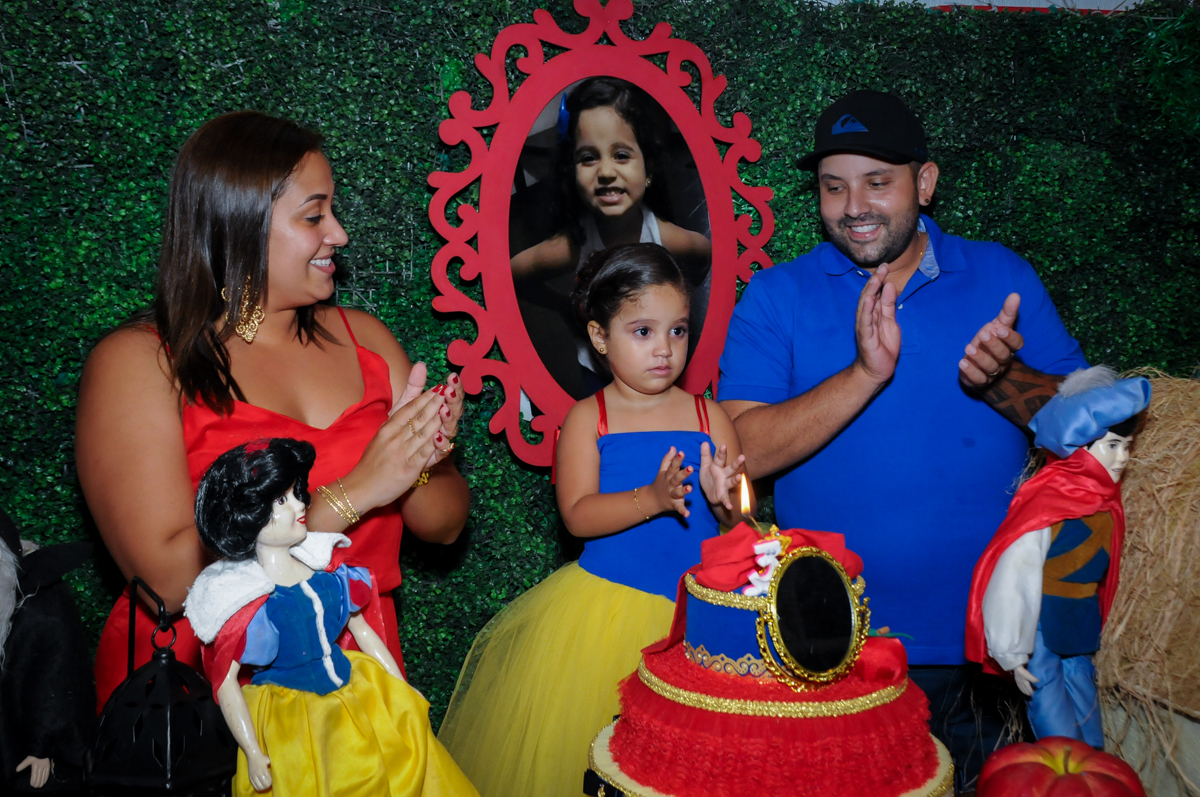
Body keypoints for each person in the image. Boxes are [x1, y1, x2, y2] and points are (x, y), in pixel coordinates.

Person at [717, 90, 1089, 786]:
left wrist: (1008, 384)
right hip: (829, 647)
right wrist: (864, 374)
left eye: (877, 182)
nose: (853, 204)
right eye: (834, 186)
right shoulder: (776, 296)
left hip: (993, 650)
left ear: (924, 181)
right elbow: (740, 452)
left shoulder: (1001, 274)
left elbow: (1095, 436)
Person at [75, 111, 468, 711]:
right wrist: (354, 492)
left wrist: (420, 458)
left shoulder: (366, 340)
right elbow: (163, 580)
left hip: (361, 679)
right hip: (210, 693)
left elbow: (443, 526)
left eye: (332, 211)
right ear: (240, 224)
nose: (338, 233)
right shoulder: (141, 362)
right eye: (314, 216)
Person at [438, 243, 744, 797]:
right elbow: (577, 516)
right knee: (602, 763)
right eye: (643, 332)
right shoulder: (589, 418)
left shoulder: (709, 415)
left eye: (678, 331)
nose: (665, 350)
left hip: (697, 625)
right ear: (601, 337)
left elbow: (737, 531)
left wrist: (727, 507)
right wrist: (651, 498)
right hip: (605, 619)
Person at [184, 438, 478, 796]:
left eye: (296, 493)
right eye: (282, 499)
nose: (300, 504)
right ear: (249, 516)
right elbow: (226, 682)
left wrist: (399, 684)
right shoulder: (250, 604)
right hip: (290, 720)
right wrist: (254, 750)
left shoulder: (328, 573)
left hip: (357, 694)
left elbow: (364, 633)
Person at [966, 366, 1151, 748]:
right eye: (1112, 445)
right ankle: (1065, 771)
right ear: (1079, 447)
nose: (1122, 458)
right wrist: (1012, 651)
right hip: (1040, 626)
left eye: (1126, 446)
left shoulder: (1104, 502)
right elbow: (1015, 575)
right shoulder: (1048, 501)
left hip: (1079, 621)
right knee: (1053, 715)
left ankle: (1091, 768)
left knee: (1085, 705)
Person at [511, 77, 712, 399]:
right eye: (589, 157)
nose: (605, 172)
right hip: (597, 375)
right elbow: (512, 275)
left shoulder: (670, 239)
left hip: (659, 368)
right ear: (572, 172)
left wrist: (680, 294)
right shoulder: (570, 247)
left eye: (621, 155)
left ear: (647, 168)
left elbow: (704, 255)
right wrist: (563, 305)